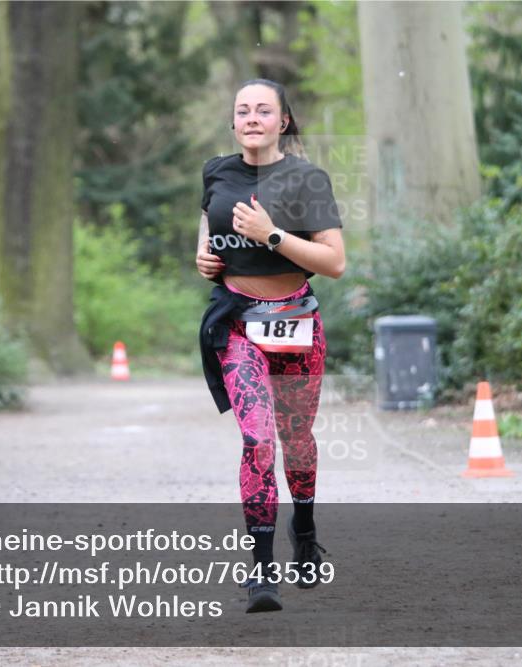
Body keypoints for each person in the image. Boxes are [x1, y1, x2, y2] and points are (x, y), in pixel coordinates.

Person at [197, 78, 345, 613]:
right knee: (258, 440)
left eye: (264, 110)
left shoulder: (307, 179)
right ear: (233, 121)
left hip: (297, 322)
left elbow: (334, 262)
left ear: (283, 121)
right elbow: (208, 221)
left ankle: (303, 529)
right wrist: (205, 257)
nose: (252, 118)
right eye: (243, 110)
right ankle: (261, 571)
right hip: (238, 326)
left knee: (297, 439)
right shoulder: (217, 170)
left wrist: (271, 235)